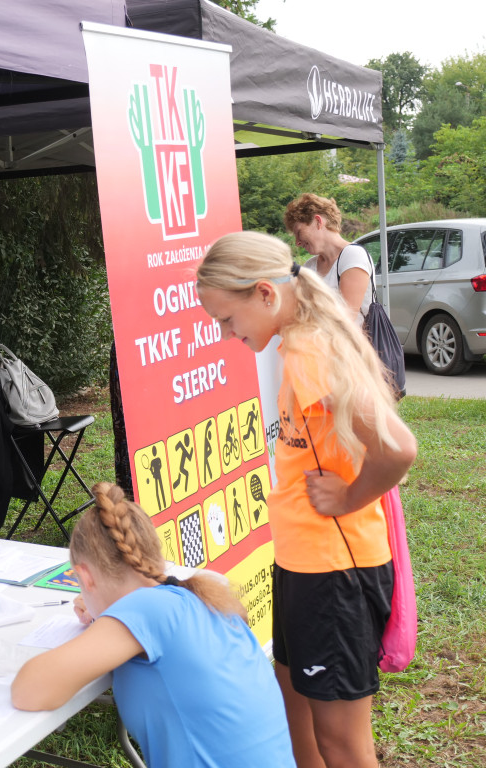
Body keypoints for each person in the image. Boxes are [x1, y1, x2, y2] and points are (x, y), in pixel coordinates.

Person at [195, 231, 418, 768]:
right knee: (295, 707)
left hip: (333, 572)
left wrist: (347, 498)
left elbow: (397, 448)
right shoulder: (297, 342)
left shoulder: (312, 347)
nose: (227, 333)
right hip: (302, 564)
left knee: (341, 741)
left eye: (227, 319)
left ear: (265, 295)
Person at [11, 482, 296, 768]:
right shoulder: (197, 596)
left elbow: (29, 690)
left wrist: (109, 616)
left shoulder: (146, 610)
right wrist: (105, 614)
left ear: (85, 576)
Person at [284, 193, 373, 325]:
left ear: (318, 222)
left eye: (299, 233)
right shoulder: (310, 266)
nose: (297, 242)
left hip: (349, 344)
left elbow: (346, 318)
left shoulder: (353, 255)